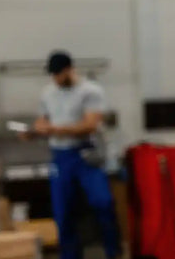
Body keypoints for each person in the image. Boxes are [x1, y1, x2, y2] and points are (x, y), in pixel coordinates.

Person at [23, 51, 120, 259]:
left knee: (102, 202)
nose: (56, 78)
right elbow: (42, 121)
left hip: (85, 154)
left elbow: (90, 124)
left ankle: (113, 251)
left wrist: (54, 129)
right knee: (63, 211)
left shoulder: (90, 91)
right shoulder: (47, 93)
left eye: (59, 73)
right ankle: (70, 256)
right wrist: (34, 131)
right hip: (60, 156)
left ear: (69, 70)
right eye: (53, 75)